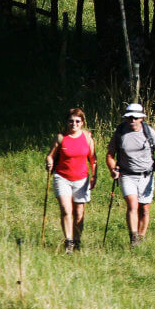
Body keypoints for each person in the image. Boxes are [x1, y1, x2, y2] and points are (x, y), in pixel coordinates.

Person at [104, 103, 155, 246]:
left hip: (146, 175)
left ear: (141, 118)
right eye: (129, 118)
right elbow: (110, 155)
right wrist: (113, 169)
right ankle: (133, 237)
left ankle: (141, 237)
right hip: (127, 175)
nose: (132, 120)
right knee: (132, 205)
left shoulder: (149, 132)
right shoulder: (120, 132)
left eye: (135, 117)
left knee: (144, 209)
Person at [44, 108, 97, 253]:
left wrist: (94, 175)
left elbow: (93, 159)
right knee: (66, 210)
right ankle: (68, 241)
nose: (74, 124)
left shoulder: (87, 137)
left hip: (81, 179)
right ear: (67, 122)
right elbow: (50, 155)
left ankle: (77, 240)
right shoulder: (61, 137)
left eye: (77, 121)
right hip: (62, 177)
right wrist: (49, 162)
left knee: (79, 213)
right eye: (71, 121)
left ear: (82, 123)